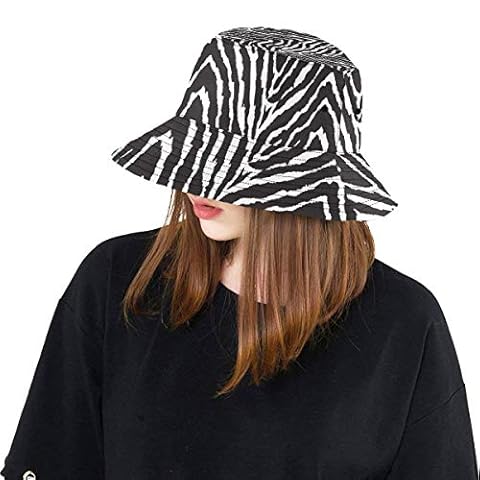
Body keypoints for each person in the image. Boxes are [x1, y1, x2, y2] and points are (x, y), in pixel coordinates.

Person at [1, 26, 478, 479]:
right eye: (195, 155)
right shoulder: (120, 281)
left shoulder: (403, 323)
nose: (195, 183)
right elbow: (55, 459)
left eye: (226, 168)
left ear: (300, 183)